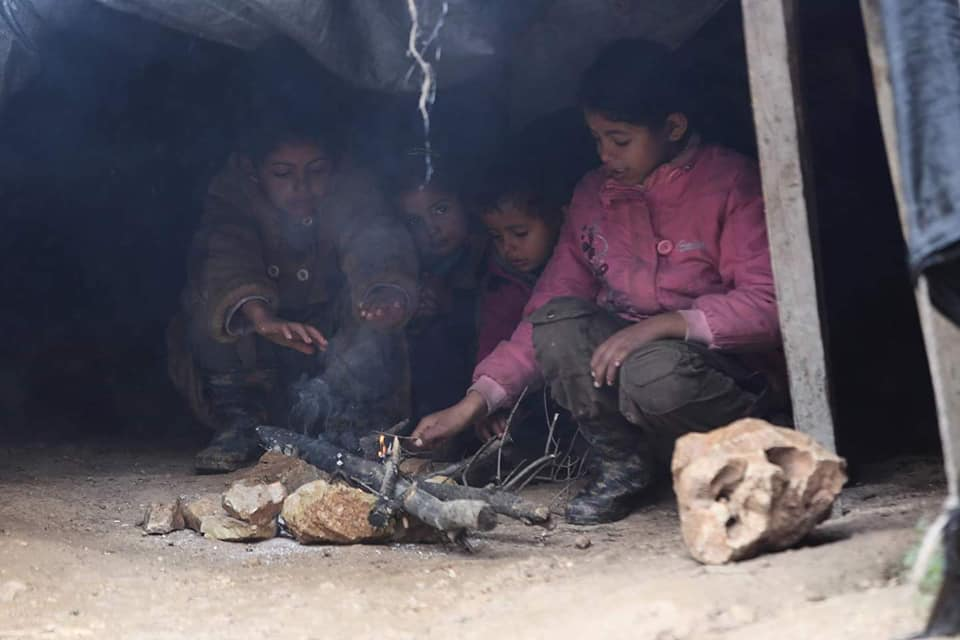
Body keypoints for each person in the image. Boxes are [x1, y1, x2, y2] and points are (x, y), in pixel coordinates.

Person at [411, 39, 784, 524]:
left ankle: (756, 445)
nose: (606, 154)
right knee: (557, 323)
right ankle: (626, 466)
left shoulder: (730, 183)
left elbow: (770, 304)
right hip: (635, 373)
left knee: (654, 374)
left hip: (720, 374)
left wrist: (666, 324)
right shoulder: (594, 196)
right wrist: (476, 401)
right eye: (597, 139)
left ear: (672, 127)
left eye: (620, 139)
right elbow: (550, 306)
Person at [169, 111, 419, 473]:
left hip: (326, 349)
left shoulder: (350, 190)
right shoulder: (234, 195)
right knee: (208, 306)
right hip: (261, 350)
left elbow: (373, 239)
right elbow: (225, 256)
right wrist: (261, 318)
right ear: (255, 172)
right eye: (283, 174)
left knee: (369, 318)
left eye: (316, 171)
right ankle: (240, 421)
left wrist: (383, 294)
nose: (301, 186)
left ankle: (350, 427)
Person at [387, 152, 486, 430]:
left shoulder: (494, 251)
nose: (432, 229)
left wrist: (452, 306)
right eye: (415, 222)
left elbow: (507, 322)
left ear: (464, 203)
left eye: (441, 209)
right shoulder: (406, 266)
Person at [470, 165, 566, 443]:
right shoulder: (501, 282)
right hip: (522, 394)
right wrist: (486, 403)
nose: (508, 247)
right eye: (497, 237)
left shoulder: (581, 269)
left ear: (559, 220)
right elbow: (491, 343)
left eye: (520, 233)